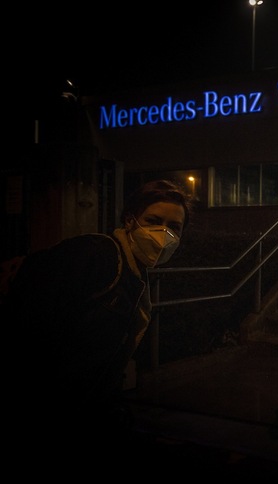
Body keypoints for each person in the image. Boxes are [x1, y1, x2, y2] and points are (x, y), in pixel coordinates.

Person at [5, 179, 192, 464]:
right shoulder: (97, 253)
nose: (163, 233)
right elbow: (28, 325)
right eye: (153, 220)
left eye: (174, 227)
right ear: (130, 220)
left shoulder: (135, 275)